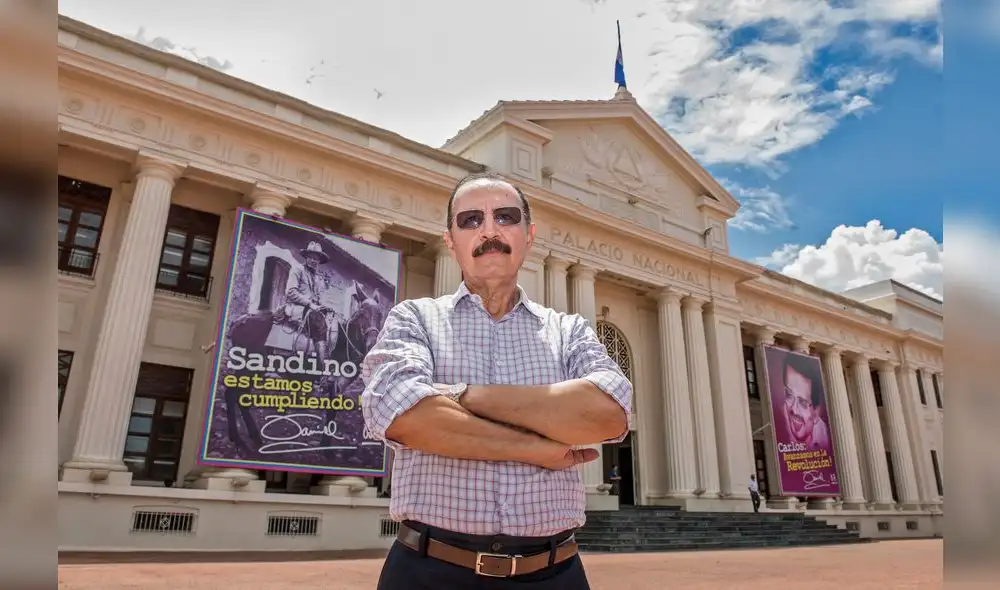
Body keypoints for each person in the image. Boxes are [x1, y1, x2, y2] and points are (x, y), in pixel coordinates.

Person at [360, 172, 633, 589]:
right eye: (470, 220)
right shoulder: (414, 318)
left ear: (529, 234)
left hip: (555, 575)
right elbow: (404, 417)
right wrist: (535, 447)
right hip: (429, 572)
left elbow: (608, 416)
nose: (489, 231)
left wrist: (457, 395)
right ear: (450, 241)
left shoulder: (569, 330)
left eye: (505, 217)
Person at [281, 241, 339, 365]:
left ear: (319, 261)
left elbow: (318, 298)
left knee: (334, 326)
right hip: (297, 308)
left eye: (316, 259)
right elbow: (290, 291)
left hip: (312, 309)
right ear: (306, 257)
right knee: (319, 323)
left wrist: (326, 306)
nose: (313, 261)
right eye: (311, 257)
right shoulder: (297, 270)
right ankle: (323, 367)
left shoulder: (318, 277)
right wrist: (309, 304)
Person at [780, 352, 831, 451]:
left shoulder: (826, 440)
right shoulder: (779, 426)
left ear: (816, 412)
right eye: (789, 395)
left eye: (803, 402)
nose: (794, 410)